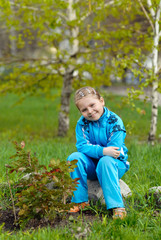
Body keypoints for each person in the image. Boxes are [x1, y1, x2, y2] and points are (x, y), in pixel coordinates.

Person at [67, 86, 130, 219]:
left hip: (115, 164)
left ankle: (117, 206)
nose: (90, 111)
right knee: (74, 158)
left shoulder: (114, 121)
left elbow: (115, 151)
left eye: (92, 105)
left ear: (101, 101)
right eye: (84, 109)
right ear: (80, 111)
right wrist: (102, 150)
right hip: (92, 165)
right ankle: (80, 201)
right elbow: (82, 146)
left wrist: (103, 152)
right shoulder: (82, 124)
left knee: (105, 160)